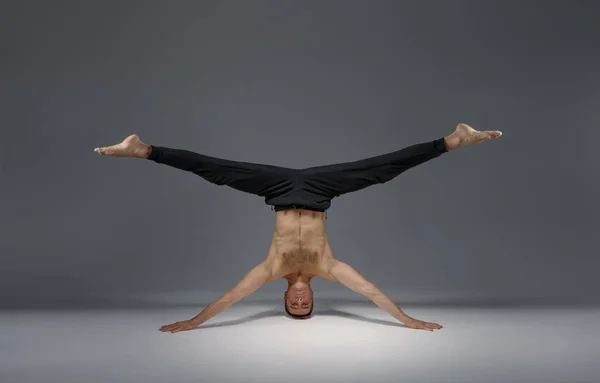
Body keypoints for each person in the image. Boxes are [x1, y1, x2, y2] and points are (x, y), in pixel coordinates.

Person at [94, 123, 502, 332]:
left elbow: (230, 298)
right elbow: (372, 292)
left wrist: (193, 322)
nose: (301, 304)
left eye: (295, 307)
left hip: (278, 189)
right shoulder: (329, 267)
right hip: (321, 190)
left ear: (288, 297)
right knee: (380, 171)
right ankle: (453, 140)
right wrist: (409, 321)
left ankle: (143, 150)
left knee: (217, 171)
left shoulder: (271, 269)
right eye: (306, 307)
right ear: (312, 298)